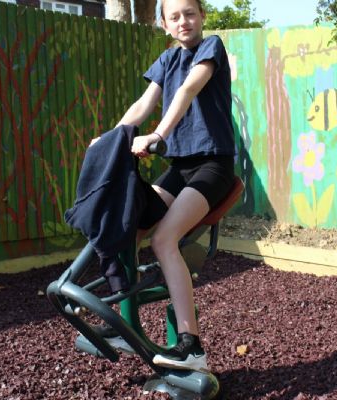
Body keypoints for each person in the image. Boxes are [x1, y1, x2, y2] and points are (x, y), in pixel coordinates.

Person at [92, 0, 235, 373]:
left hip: (213, 165)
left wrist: (157, 135)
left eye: (190, 13)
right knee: (128, 225)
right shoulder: (167, 59)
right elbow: (143, 104)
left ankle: (191, 347)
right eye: (175, 17)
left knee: (164, 239)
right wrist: (111, 139)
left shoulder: (211, 47)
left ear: (202, 16)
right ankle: (123, 325)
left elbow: (188, 90)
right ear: (164, 25)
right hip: (180, 167)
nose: (183, 21)